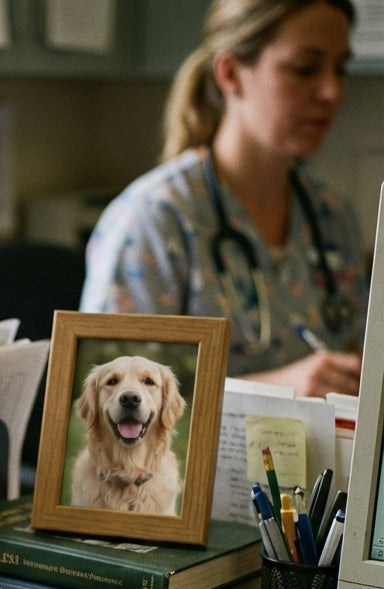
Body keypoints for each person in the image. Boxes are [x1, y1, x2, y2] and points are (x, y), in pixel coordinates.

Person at [80, 0, 367, 397]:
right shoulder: (153, 221)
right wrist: (280, 391)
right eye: (305, 68)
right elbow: (112, 411)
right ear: (230, 73)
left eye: (340, 69)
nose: (332, 91)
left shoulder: (332, 215)